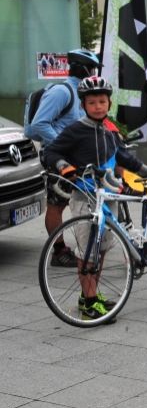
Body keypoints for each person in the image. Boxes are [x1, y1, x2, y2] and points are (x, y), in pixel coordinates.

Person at [41, 76, 147, 319]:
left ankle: (90, 297)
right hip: (85, 197)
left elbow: (124, 157)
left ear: (109, 103)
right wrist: (64, 166)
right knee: (87, 252)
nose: (98, 106)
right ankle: (90, 301)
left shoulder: (110, 131)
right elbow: (51, 151)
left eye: (102, 101)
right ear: (83, 105)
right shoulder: (75, 130)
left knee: (102, 248)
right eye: (92, 102)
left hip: (109, 196)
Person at [25, 48, 96, 268]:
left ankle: (88, 244)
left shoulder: (81, 93)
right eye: (93, 68)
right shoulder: (62, 92)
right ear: (84, 68)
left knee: (84, 200)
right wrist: (63, 144)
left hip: (75, 158)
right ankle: (58, 251)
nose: (94, 73)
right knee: (56, 205)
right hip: (58, 158)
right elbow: (38, 124)